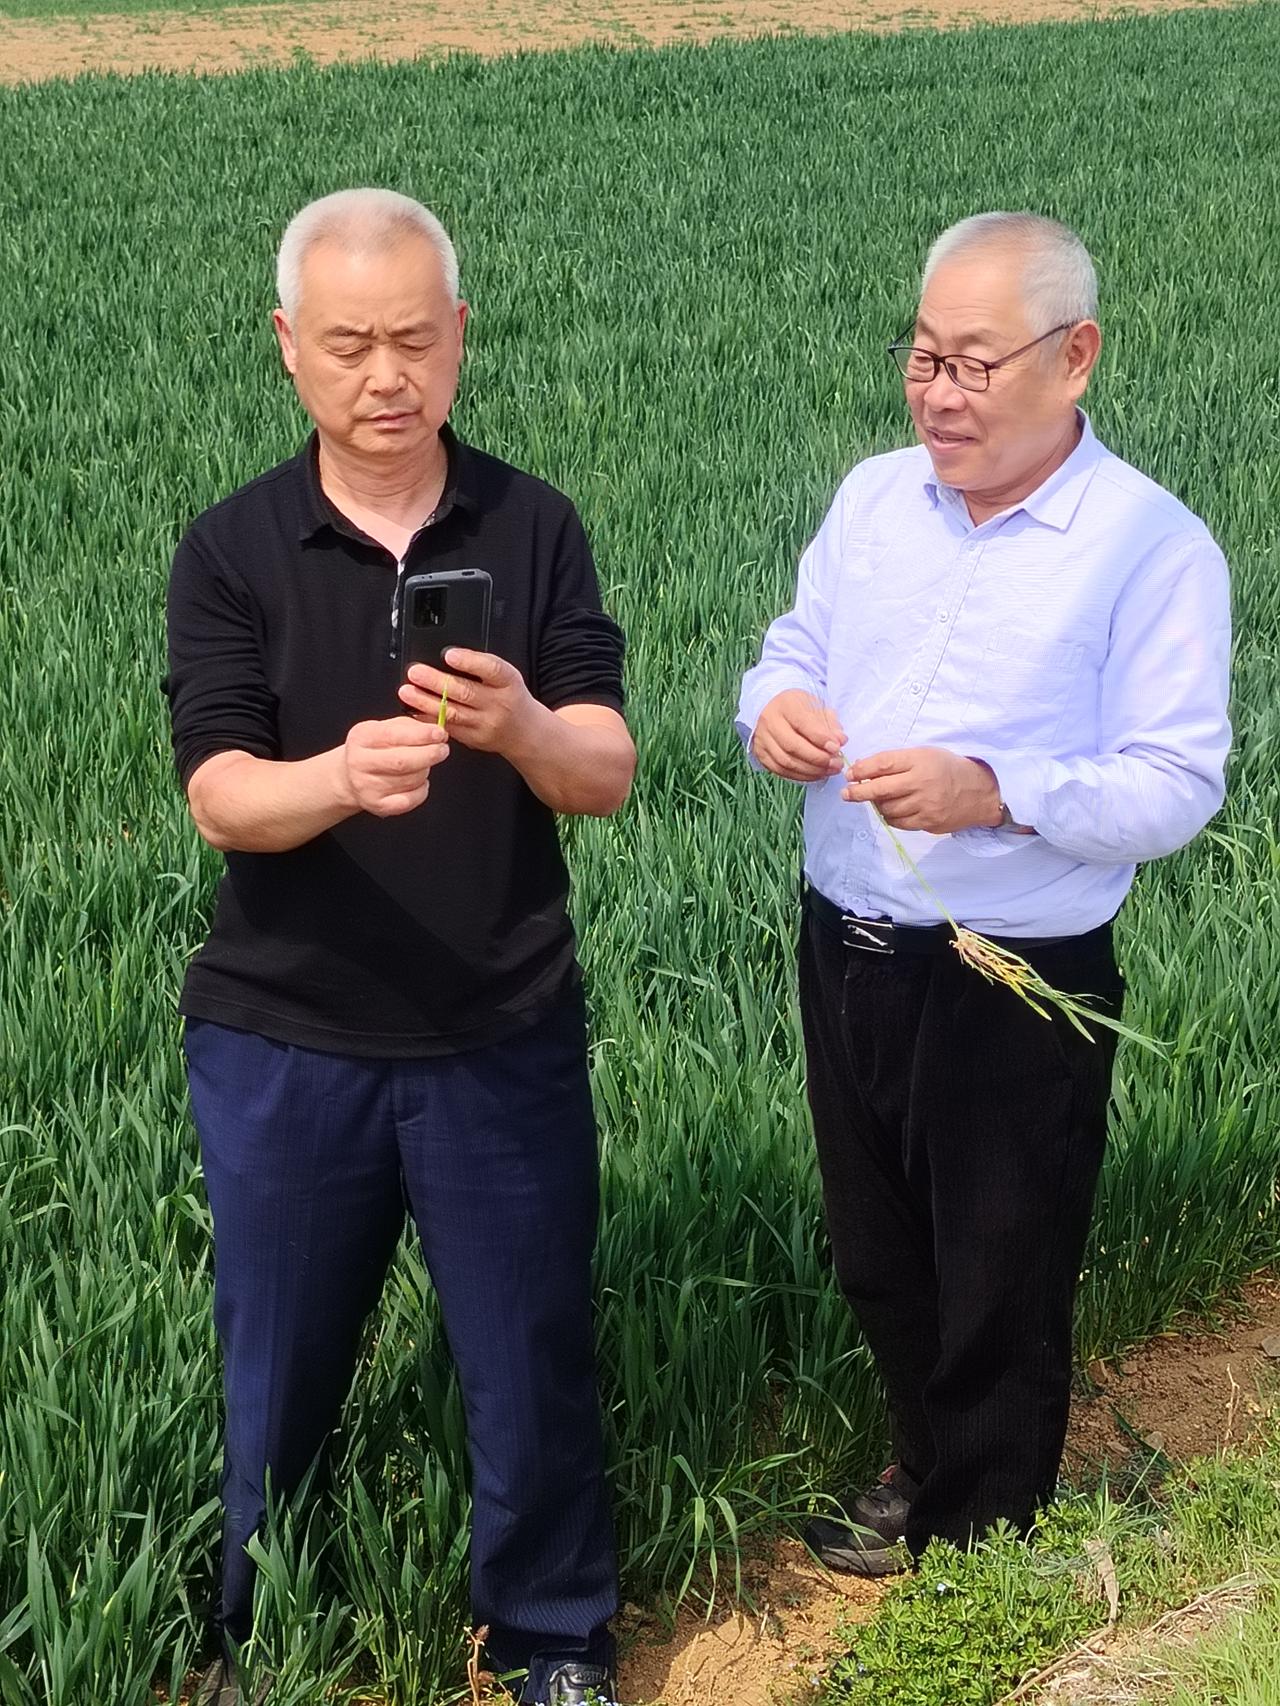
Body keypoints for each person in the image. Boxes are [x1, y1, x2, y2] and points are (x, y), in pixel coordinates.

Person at [165, 188, 634, 1706]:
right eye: (351, 343)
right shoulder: (233, 548)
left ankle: (553, 1634)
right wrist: (338, 779)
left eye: (416, 340)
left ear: (461, 337)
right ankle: (260, 1632)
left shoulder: (532, 525)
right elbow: (220, 792)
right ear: (289, 346)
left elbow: (606, 768)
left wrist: (522, 725)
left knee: (529, 1351)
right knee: (279, 1363)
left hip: (501, 1023)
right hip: (287, 1036)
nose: (387, 376)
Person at [736, 212, 1231, 1575]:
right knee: (879, 1248)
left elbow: (1176, 783)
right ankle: (929, 1469)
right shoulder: (872, 500)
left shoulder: (1151, 546)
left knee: (1000, 1273)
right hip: (846, 936)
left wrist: (996, 789)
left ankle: (982, 1554)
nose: (938, 393)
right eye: (923, 355)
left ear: (1075, 358)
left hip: (1009, 967)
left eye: (973, 363)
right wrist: (773, 707)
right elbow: (792, 647)